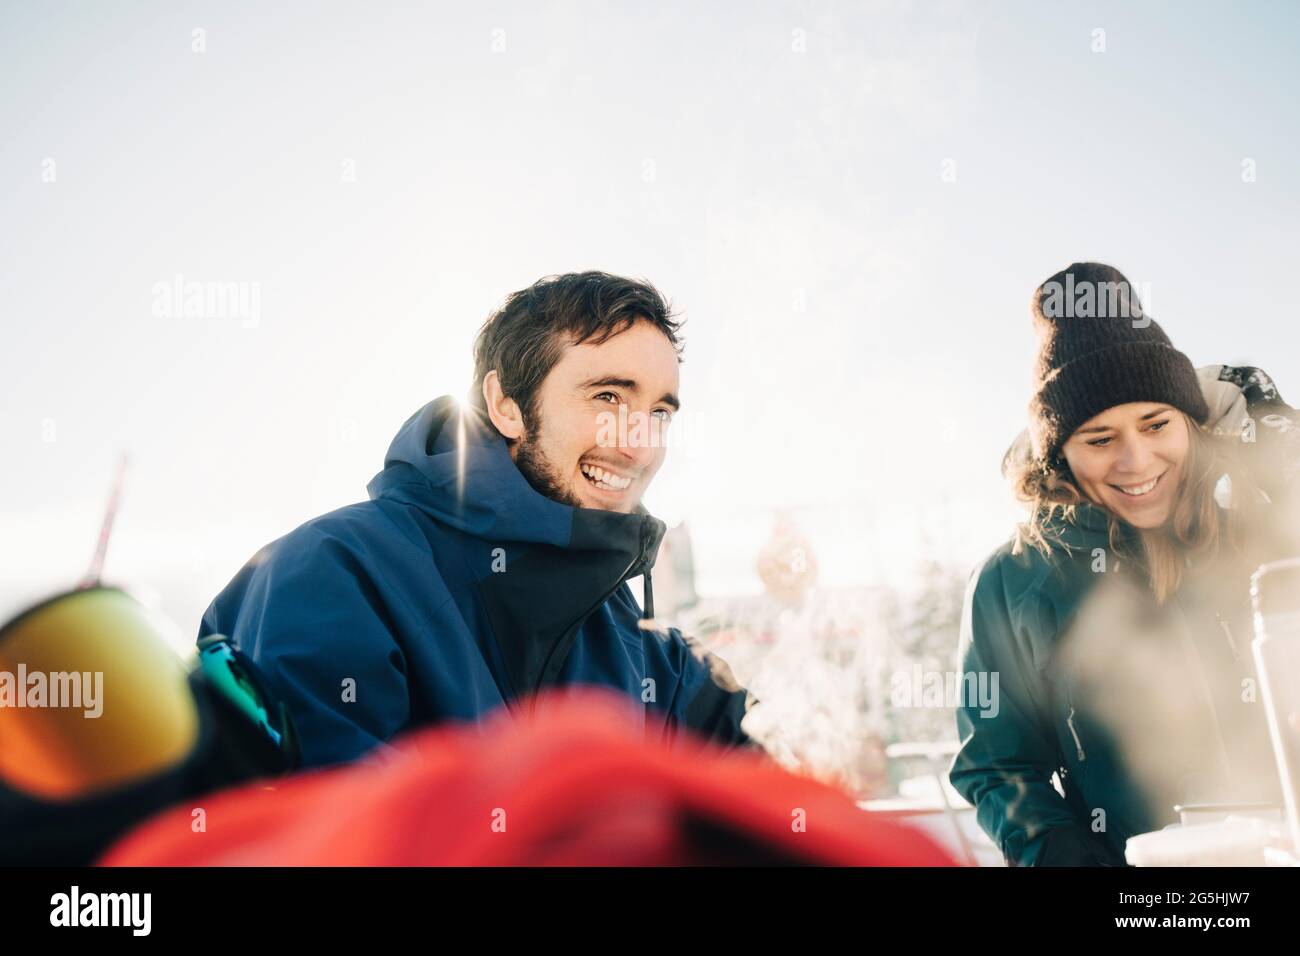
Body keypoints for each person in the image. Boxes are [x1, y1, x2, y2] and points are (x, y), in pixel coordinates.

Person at [199, 271, 755, 768]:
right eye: (608, 397)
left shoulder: (650, 654)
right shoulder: (335, 574)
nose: (638, 446)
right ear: (506, 404)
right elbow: (328, 837)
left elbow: (778, 779)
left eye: (659, 413)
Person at [949, 262, 1300, 866]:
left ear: (1189, 421)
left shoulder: (1267, 518)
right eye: (1099, 438)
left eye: (1155, 423)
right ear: (1059, 452)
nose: (1135, 461)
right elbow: (1000, 766)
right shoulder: (1014, 581)